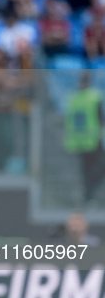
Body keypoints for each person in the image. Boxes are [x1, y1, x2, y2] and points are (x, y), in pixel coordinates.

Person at [64, 70, 105, 202]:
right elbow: (100, 117)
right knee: (95, 167)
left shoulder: (73, 98)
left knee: (85, 169)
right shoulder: (94, 97)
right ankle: (90, 193)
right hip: (92, 138)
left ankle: (88, 194)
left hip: (78, 139)